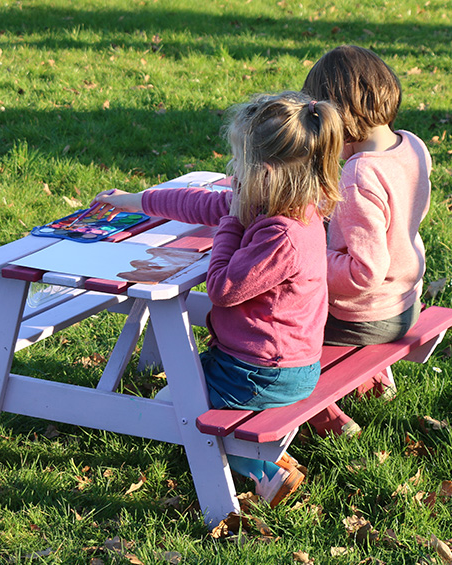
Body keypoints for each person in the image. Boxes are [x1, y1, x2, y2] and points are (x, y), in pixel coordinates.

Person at [90, 91, 343, 507]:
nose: (232, 175)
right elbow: (201, 202)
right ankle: (264, 453)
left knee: (171, 405)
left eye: (237, 164)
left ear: (263, 172)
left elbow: (222, 288)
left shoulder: (280, 235)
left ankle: (264, 469)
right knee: (183, 380)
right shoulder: (290, 207)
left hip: (262, 372)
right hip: (280, 360)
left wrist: (230, 221)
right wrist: (135, 202)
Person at [302, 45, 432, 401]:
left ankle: (316, 407)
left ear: (338, 116)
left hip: (365, 316)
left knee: (280, 315)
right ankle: (373, 381)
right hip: (405, 302)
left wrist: (308, 257)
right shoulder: (411, 145)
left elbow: (363, 273)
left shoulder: (360, 174)